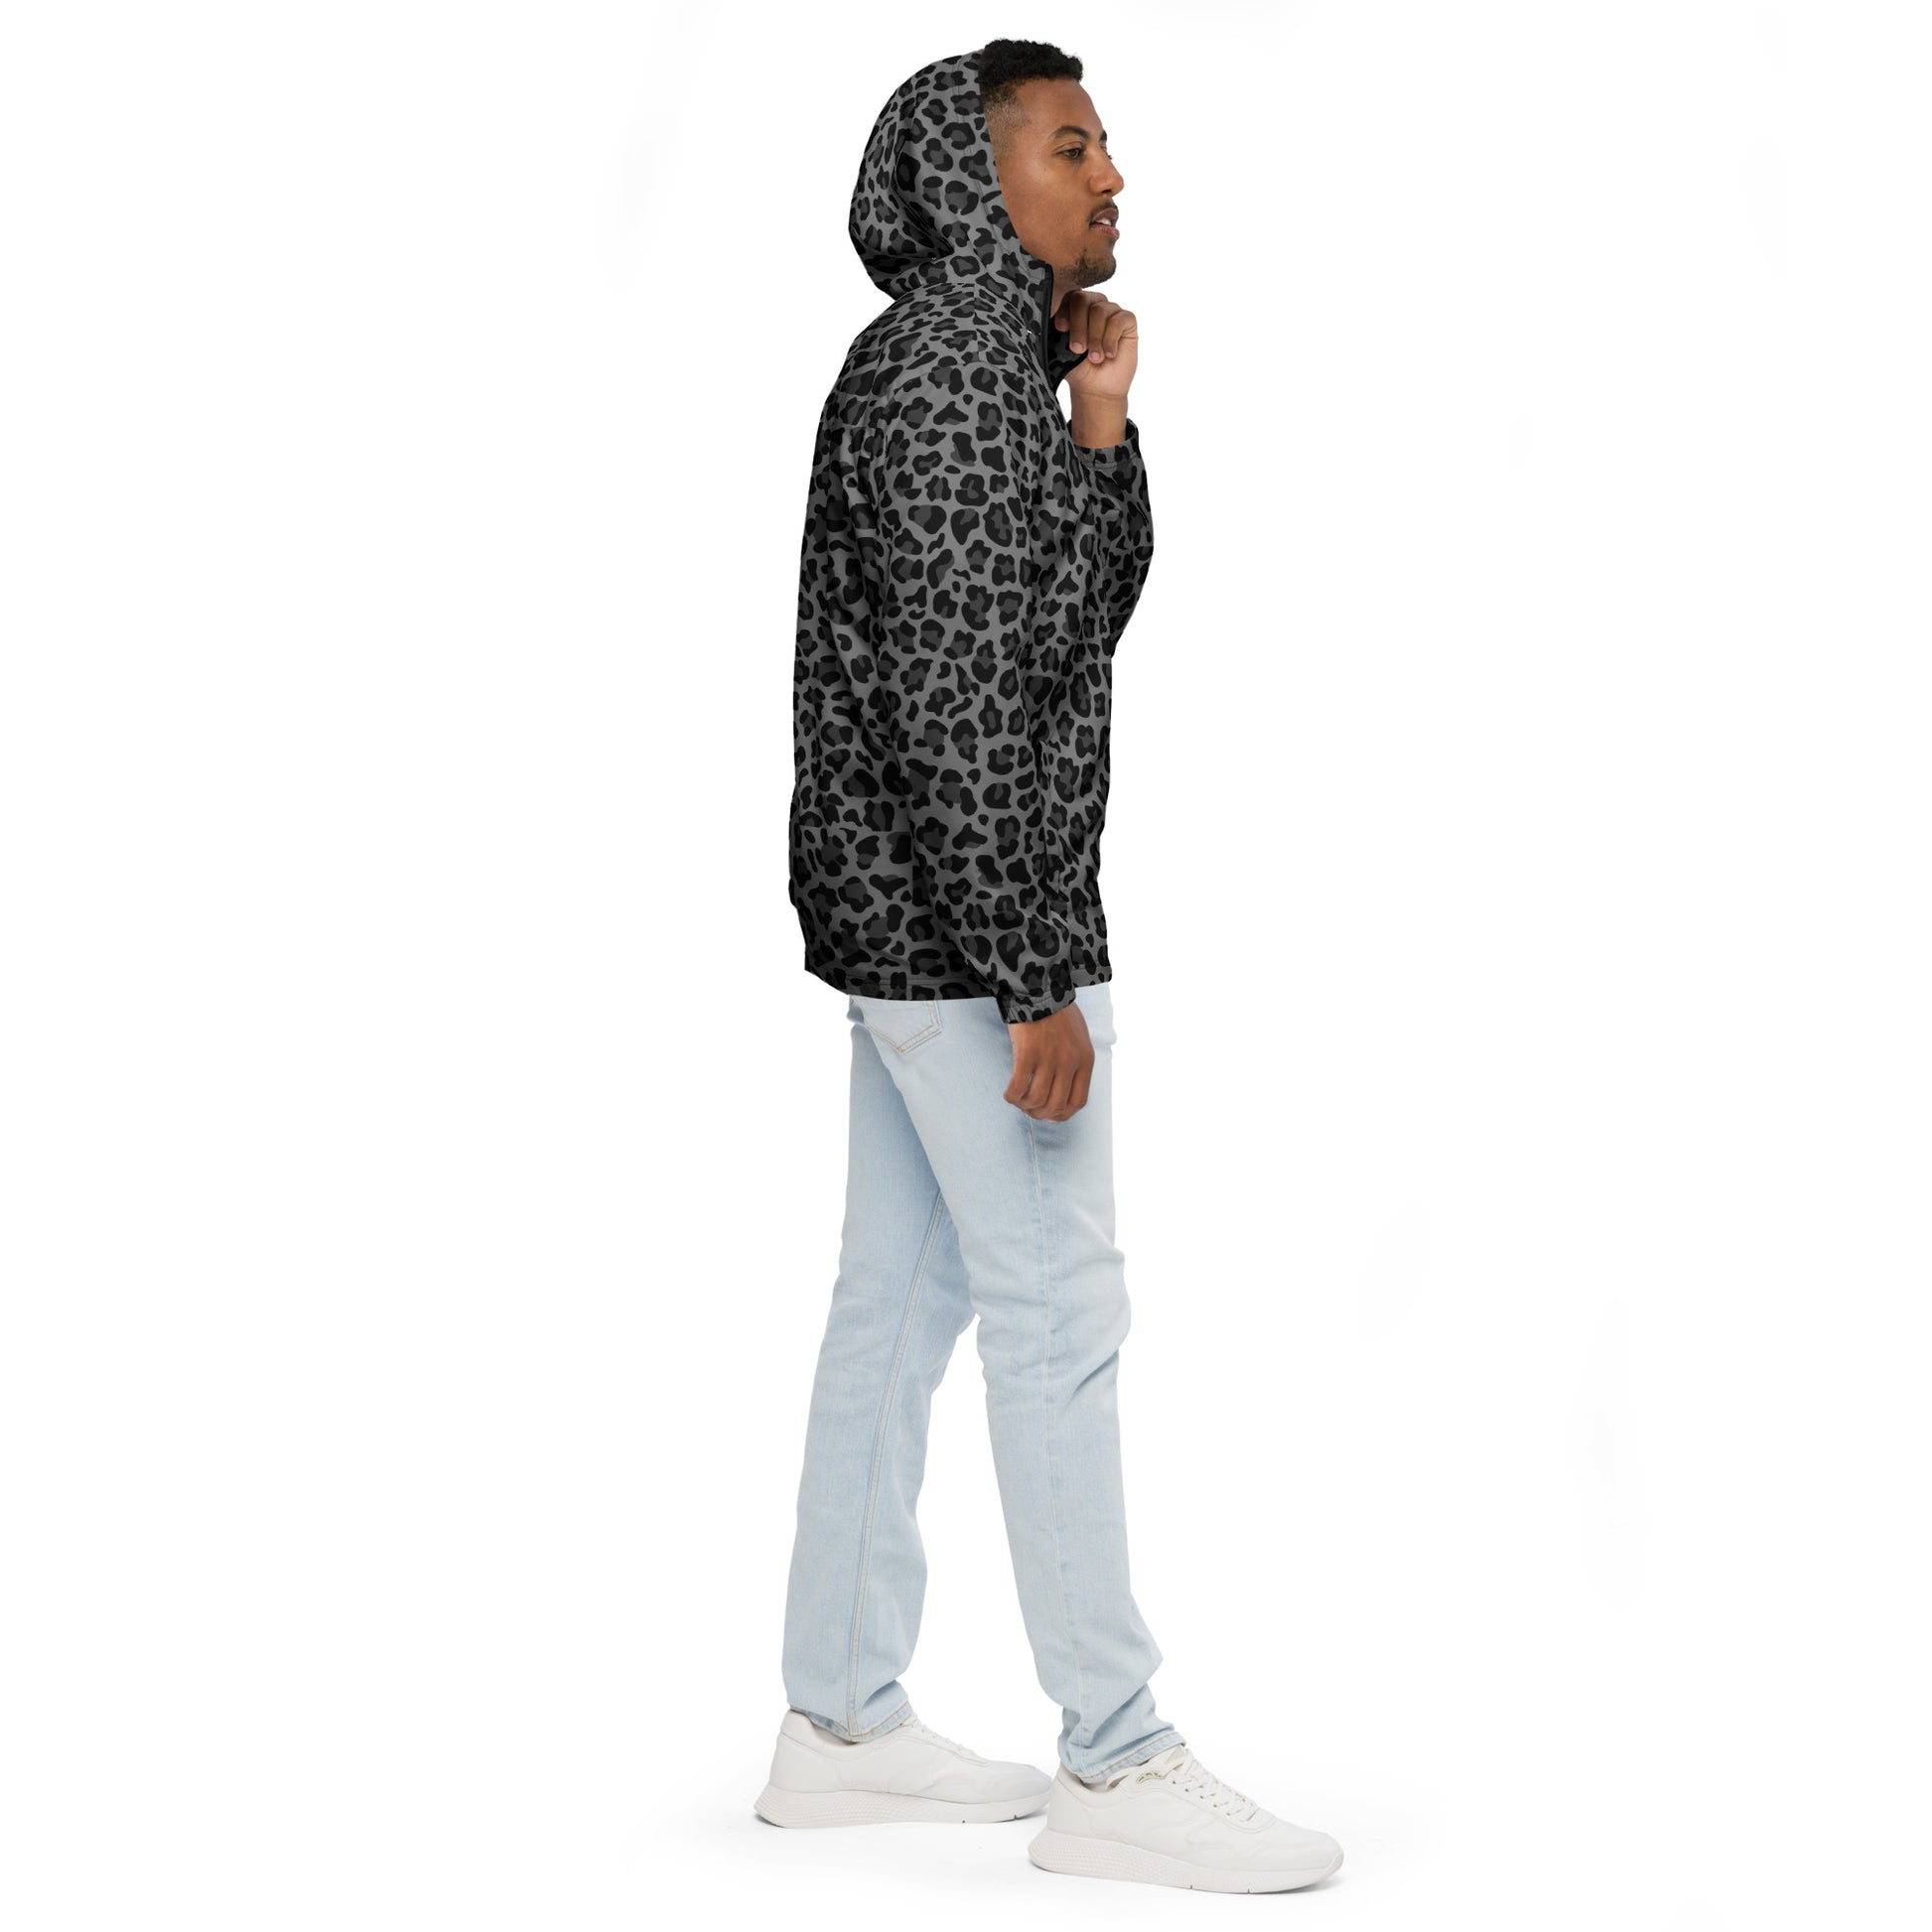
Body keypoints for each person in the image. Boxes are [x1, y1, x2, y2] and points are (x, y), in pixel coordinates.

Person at [758, 42, 1343, 1893]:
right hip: (965, 933)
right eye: (1072, 146)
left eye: (1106, 146)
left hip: (921, 922)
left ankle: (838, 1722)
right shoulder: (943, 375)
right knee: (1057, 1312)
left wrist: (1099, 416)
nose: (1111, 178)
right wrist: (1032, 980)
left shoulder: (989, 368)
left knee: (898, 1303)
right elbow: (959, 709)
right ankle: (1116, 1751)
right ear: (972, 176)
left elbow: (1068, 620)